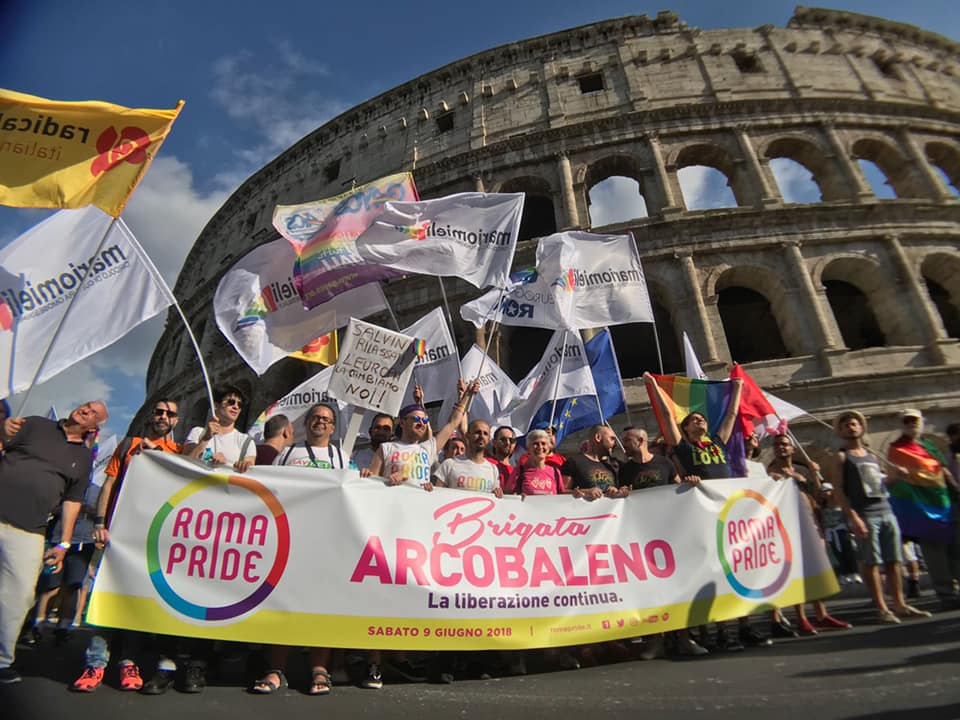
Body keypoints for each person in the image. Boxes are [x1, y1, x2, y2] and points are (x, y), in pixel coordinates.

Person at [0, 401, 108, 684]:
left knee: (21, 594)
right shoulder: (36, 424)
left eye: (93, 412)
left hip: (30, 529)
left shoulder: (83, 459)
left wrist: (63, 543)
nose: (86, 409)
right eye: (87, 405)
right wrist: (2, 430)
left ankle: (2, 660)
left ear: (94, 427)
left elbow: (72, 501)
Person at [833, 410, 931, 624]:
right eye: (846, 425)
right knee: (872, 562)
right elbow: (839, 490)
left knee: (895, 560)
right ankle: (882, 607)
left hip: (885, 510)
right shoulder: (842, 457)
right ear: (839, 431)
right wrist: (853, 517)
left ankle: (900, 604)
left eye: (855, 423)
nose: (852, 427)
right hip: (865, 514)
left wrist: (897, 477)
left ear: (862, 427)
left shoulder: (871, 454)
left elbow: (880, 483)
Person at [618, 428, 707, 659]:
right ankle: (655, 641)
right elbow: (621, 497)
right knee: (651, 589)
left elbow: (677, 486)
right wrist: (622, 493)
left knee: (677, 586)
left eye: (627, 440)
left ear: (641, 440)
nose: (623, 444)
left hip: (669, 533)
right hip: (642, 536)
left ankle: (684, 638)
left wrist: (691, 482)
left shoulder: (664, 463)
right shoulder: (625, 469)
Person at [766, 434, 851, 636]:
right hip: (787, 526)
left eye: (785, 444)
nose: (781, 448)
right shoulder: (770, 473)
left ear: (793, 448)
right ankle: (801, 617)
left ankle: (821, 614)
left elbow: (818, 495)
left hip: (812, 522)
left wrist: (814, 476)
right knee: (797, 575)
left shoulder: (803, 470)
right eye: (777, 445)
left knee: (816, 571)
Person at [887, 409, 960, 611]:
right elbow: (894, 480)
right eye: (907, 420)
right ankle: (946, 593)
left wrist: (955, 488)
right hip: (922, 508)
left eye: (915, 420)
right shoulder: (896, 449)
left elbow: (943, 469)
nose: (912, 423)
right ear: (902, 424)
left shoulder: (929, 445)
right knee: (934, 553)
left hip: (945, 502)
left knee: (955, 548)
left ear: (921, 422)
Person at [183, 385, 256, 471]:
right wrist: (205, 439)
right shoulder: (197, 432)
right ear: (216, 406)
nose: (236, 407)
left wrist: (243, 464)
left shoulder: (245, 441)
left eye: (240, 404)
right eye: (231, 402)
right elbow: (185, 462)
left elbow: (250, 469)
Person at [433, 420, 502, 497]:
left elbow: (496, 498)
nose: (481, 436)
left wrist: (498, 494)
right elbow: (437, 495)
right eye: (477, 432)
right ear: (467, 435)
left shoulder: (493, 469)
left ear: (489, 439)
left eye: (485, 433)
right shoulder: (449, 464)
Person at [274, 403, 346, 469]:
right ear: (306, 423)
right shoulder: (286, 453)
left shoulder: (342, 458)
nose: (320, 421)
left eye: (325, 419)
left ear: (332, 429)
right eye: (315, 417)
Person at [562, 424, 625, 499]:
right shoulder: (573, 462)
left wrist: (616, 491)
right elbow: (562, 491)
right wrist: (585, 492)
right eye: (612, 439)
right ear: (598, 437)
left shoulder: (614, 465)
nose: (615, 444)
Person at [487, 425, 519, 492]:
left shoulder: (517, 471)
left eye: (511, 440)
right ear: (494, 442)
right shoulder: (486, 463)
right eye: (503, 440)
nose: (508, 443)